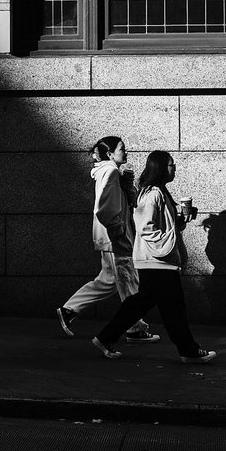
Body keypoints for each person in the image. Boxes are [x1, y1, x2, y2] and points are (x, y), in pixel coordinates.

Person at [91, 150, 216, 364]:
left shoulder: (160, 192)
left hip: (156, 260)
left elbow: (160, 224)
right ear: (159, 168)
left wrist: (179, 221)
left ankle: (105, 337)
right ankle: (189, 351)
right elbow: (145, 227)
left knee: (141, 303)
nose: (173, 168)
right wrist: (167, 244)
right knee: (173, 308)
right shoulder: (152, 194)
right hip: (157, 260)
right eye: (170, 165)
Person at [56, 136, 159, 344]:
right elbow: (103, 207)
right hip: (115, 238)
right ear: (110, 154)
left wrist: (127, 185)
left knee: (109, 281)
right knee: (129, 280)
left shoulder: (111, 172)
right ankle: (135, 328)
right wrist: (117, 230)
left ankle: (68, 310)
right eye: (122, 148)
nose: (126, 151)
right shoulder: (110, 171)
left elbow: (124, 201)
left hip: (111, 237)